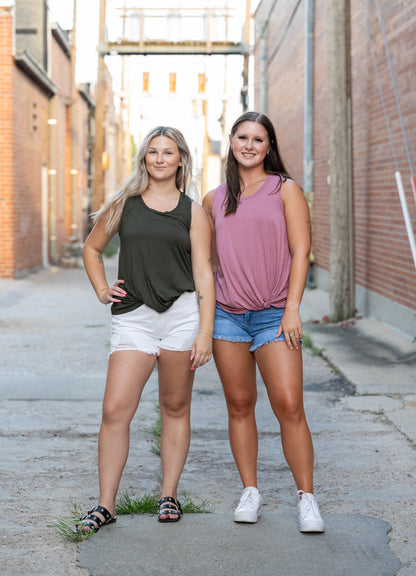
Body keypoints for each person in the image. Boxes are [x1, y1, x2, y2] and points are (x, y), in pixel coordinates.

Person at [77, 126, 215, 533]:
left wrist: (205, 331)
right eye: (152, 152)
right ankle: (106, 505)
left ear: (180, 160)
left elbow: (205, 273)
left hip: (181, 316)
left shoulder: (194, 211)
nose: (158, 158)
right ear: (144, 159)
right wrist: (102, 289)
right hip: (133, 317)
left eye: (167, 152)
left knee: (174, 407)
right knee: (114, 409)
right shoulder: (125, 204)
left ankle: (168, 495)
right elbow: (92, 248)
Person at [203, 111, 324, 533]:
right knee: (239, 405)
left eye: (258, 139)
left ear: (269, 146)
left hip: (275, 313)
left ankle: (307, 498)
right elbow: (206, 262)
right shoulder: (212, 199)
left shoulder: (285, 190)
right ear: (231, 142)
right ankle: (250, 490)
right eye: (242, 137)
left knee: (289, 404)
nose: (249, 145)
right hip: (227, 317)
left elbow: (301, 249)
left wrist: (292, 307)